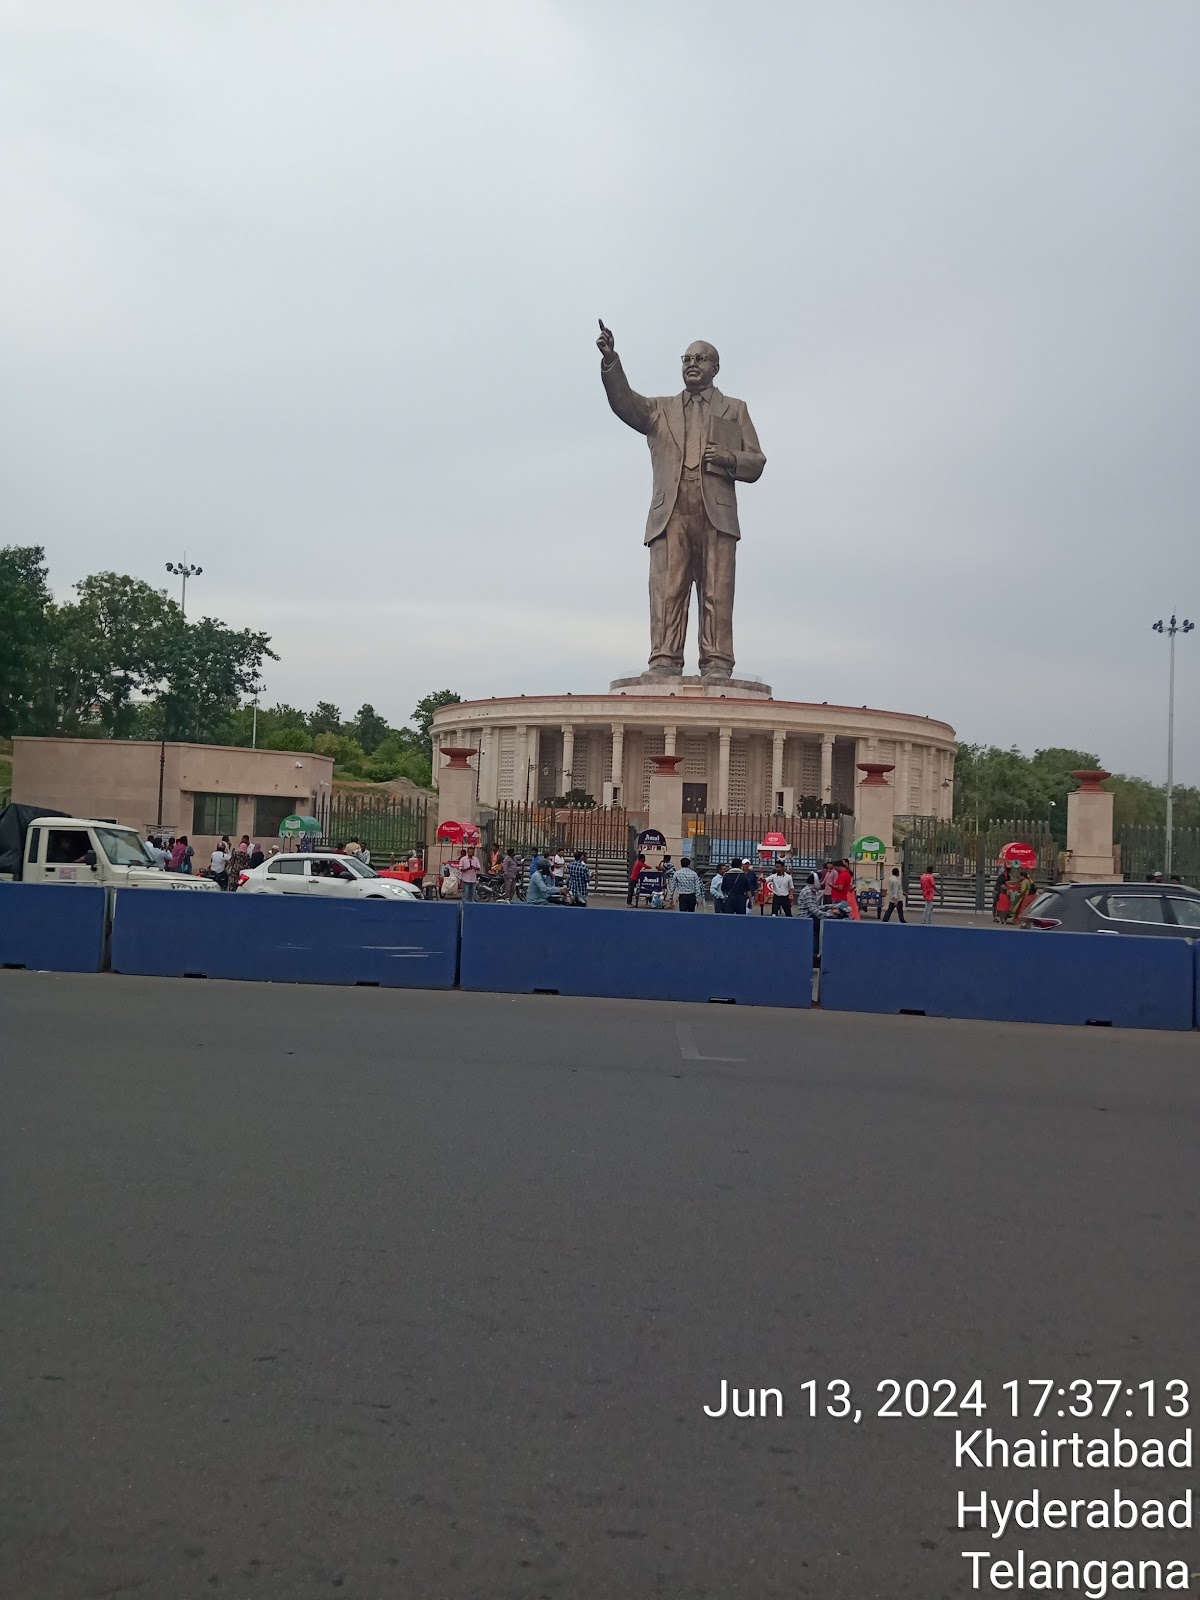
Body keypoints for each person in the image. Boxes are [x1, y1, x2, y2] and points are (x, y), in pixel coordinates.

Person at [596, 323, 766, 681]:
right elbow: (624, 401)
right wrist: (611, 362)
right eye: (686, 359)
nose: (692, 364)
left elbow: (757, 462)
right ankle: (665, 660)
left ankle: (717, 661)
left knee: (717, 591)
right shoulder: (659, 410)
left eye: (700, 359)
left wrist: (729, 458)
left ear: (715, 367)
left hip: (715, 511)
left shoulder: (735, 409)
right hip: (670, 510)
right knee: (667, 589)